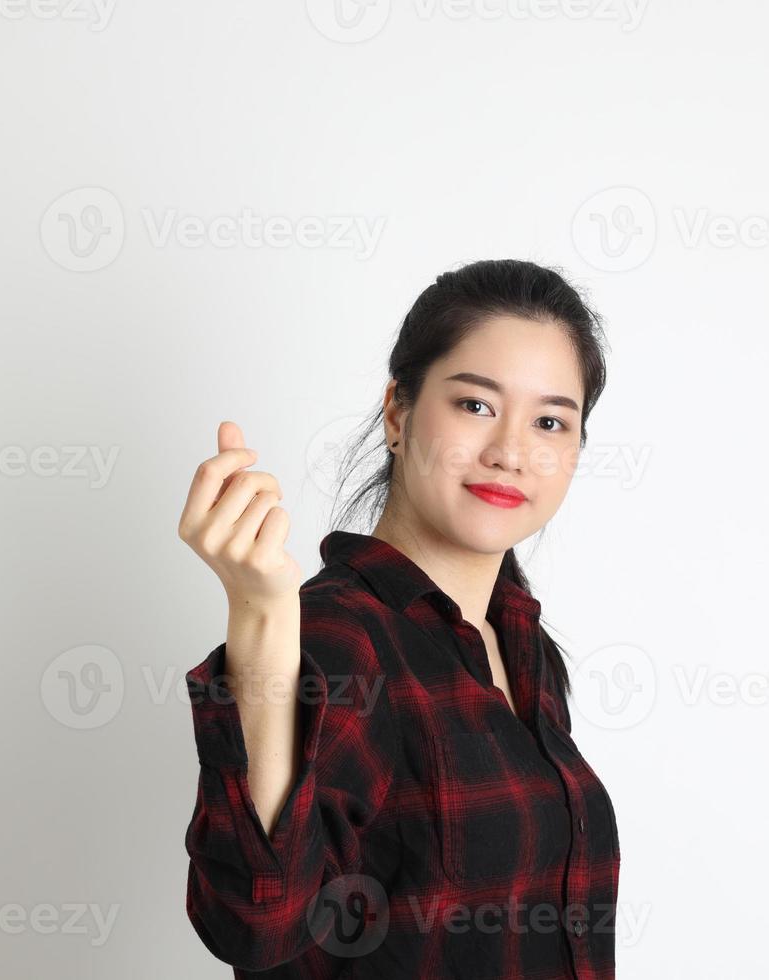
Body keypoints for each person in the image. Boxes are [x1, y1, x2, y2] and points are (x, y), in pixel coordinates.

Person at [175, 259, 620, 978]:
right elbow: (257, 926)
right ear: (397, 412)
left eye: (549, 421)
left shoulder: (521, 643)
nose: (510, 451)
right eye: (475, 405)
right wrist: (259, 617)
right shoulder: (336, 640)